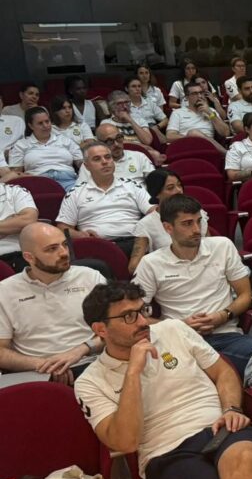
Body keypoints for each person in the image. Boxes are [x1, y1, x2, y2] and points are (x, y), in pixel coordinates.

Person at [76, 281, 252, 479]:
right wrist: (132, 373)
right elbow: (125, 443)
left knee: (244, 459)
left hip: (220, 427)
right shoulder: (90, 382)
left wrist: (231, 408)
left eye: (142, 310)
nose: (143, 321)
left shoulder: (173, 329)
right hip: (165, 454)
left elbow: (223, 372)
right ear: (101, 329)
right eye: (129, 316)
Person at [133, 195, 252, 373]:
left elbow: (245, 294)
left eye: (199, 221)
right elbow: (134, 315)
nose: (197, 229)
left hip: (226, 336)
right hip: (178, 340)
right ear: (168, 227)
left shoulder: (222, 246)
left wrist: (222, 316)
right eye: (187, 223)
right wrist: (180, 325)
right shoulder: (151, 263)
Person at [0, 222, 105, 384]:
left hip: (91, 362)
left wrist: (82, 349)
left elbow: (116, 329)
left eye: (65, 244)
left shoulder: (91, 277)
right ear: (29, 257)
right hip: (34, 372)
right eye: (52, 249)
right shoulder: (5, 291)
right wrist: (45, 365)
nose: (64, 253)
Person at [56, 143, 152, 256]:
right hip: (98, 246)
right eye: (97, 159)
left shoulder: (132, 185)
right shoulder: (75, 193)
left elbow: (153, 211)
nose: (105, 162)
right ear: (86, 166)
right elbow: (63, 227)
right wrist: (80, 235)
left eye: (108, 157)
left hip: (135, 242)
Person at [129, 169, 208, 274]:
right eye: (170, 188)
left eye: (179, 185)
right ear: (157, 193)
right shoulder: (146, 224)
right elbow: (134, 267)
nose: (179, 190)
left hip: (202, 270)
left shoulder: (197, 213)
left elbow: (210, 247)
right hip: (169, 274)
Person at [6, 107, 83, 191]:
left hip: (68, 180)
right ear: (30, 126)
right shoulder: (21, 145)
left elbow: (82, 163)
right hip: (38, 182)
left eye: (47, 121)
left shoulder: (65, 140)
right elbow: (16, 173)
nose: (45, 126)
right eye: (40, 123)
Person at [78, 124, 155, 185]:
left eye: (118, 138)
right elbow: (80, 190)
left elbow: (156, 181)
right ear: (100, 143)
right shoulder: (90, 164)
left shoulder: (139, 156)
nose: (116, 144)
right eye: (109, 141)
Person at [166, 82, 230, 154]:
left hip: (207, 148)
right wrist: (191, 136)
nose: (199, 96)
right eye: (195, 93)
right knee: (193, 132)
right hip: (186, 148)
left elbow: (226, 133)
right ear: (187, 97)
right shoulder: (178, 113)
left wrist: (210, 113)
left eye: (201, 93)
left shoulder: (211, 111)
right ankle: (226, 153)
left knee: (194, 133)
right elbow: (169, 136)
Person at [100, 90, 160, 161]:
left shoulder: (139, 120)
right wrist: (141, 146)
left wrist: (130, 121)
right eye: (119, 104)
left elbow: (147, 141)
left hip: (143, 153)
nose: (125, 106)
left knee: (156, 155)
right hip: (122, 152)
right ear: (112, 107)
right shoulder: (107, 123)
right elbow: (116, 143)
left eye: (127, 102)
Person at [0, 182, 37, 271]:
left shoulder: (16, 191)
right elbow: (21, 222)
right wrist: (10, 223)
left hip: (16, 254)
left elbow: (28, 220)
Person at [124, 78, 168, 145]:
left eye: (139, 86)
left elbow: (165, 119)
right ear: (126, 89)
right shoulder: (124, 105)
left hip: (152, 128)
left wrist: (157, 127)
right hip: (134, 131)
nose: (137, 89)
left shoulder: (149, 102)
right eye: (134, 86)